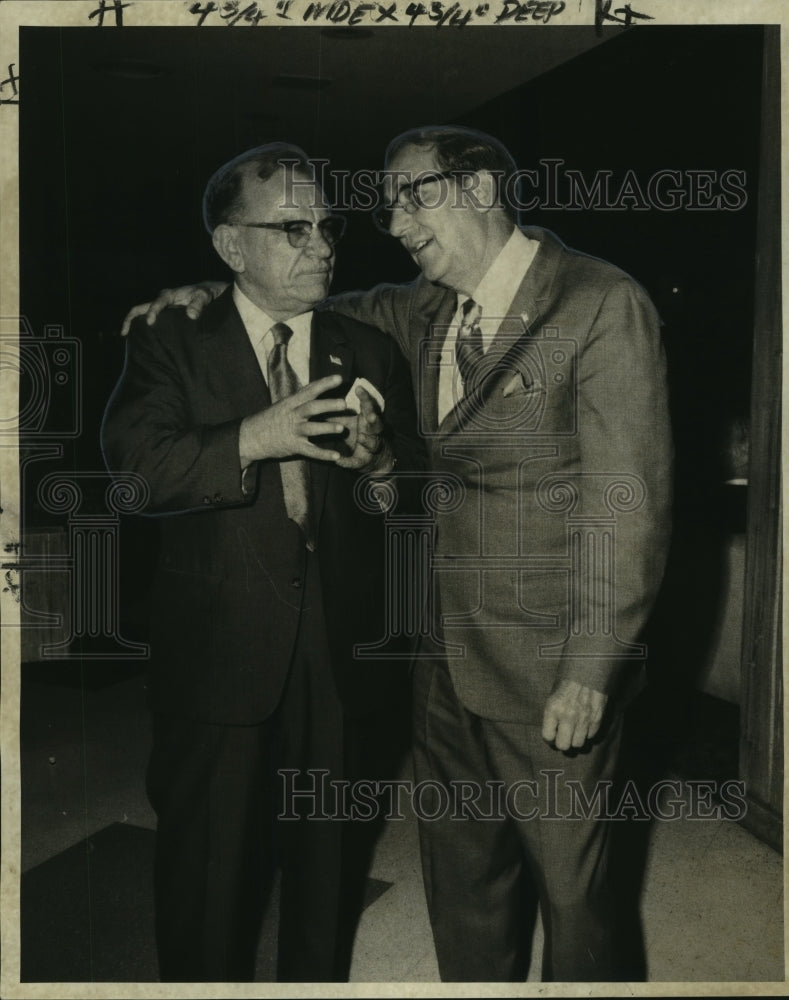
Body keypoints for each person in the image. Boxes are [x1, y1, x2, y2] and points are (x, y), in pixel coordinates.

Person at [120, 125, 674, 982]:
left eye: (412, 195)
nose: (394, 222)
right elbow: (299, 301)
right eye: (385, 207)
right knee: (465, 882)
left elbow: (627, 503)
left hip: (547, 660)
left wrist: (592, 666)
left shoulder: (597, 302)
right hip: (439, 658)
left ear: (483, 189)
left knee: (573, 891)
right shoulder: (421, 308)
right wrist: (206, 287)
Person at [102, 142, 424, 983]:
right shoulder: (170, 337)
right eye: (291, 228)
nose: (320, 244)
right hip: (216, 643)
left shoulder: (369, 347)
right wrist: (257, 437)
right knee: (209, 867)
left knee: (326, 866)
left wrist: (384, 466)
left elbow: (408, 497)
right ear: (229, 246)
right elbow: (137, 469)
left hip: (337, 647)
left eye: (326, 225)